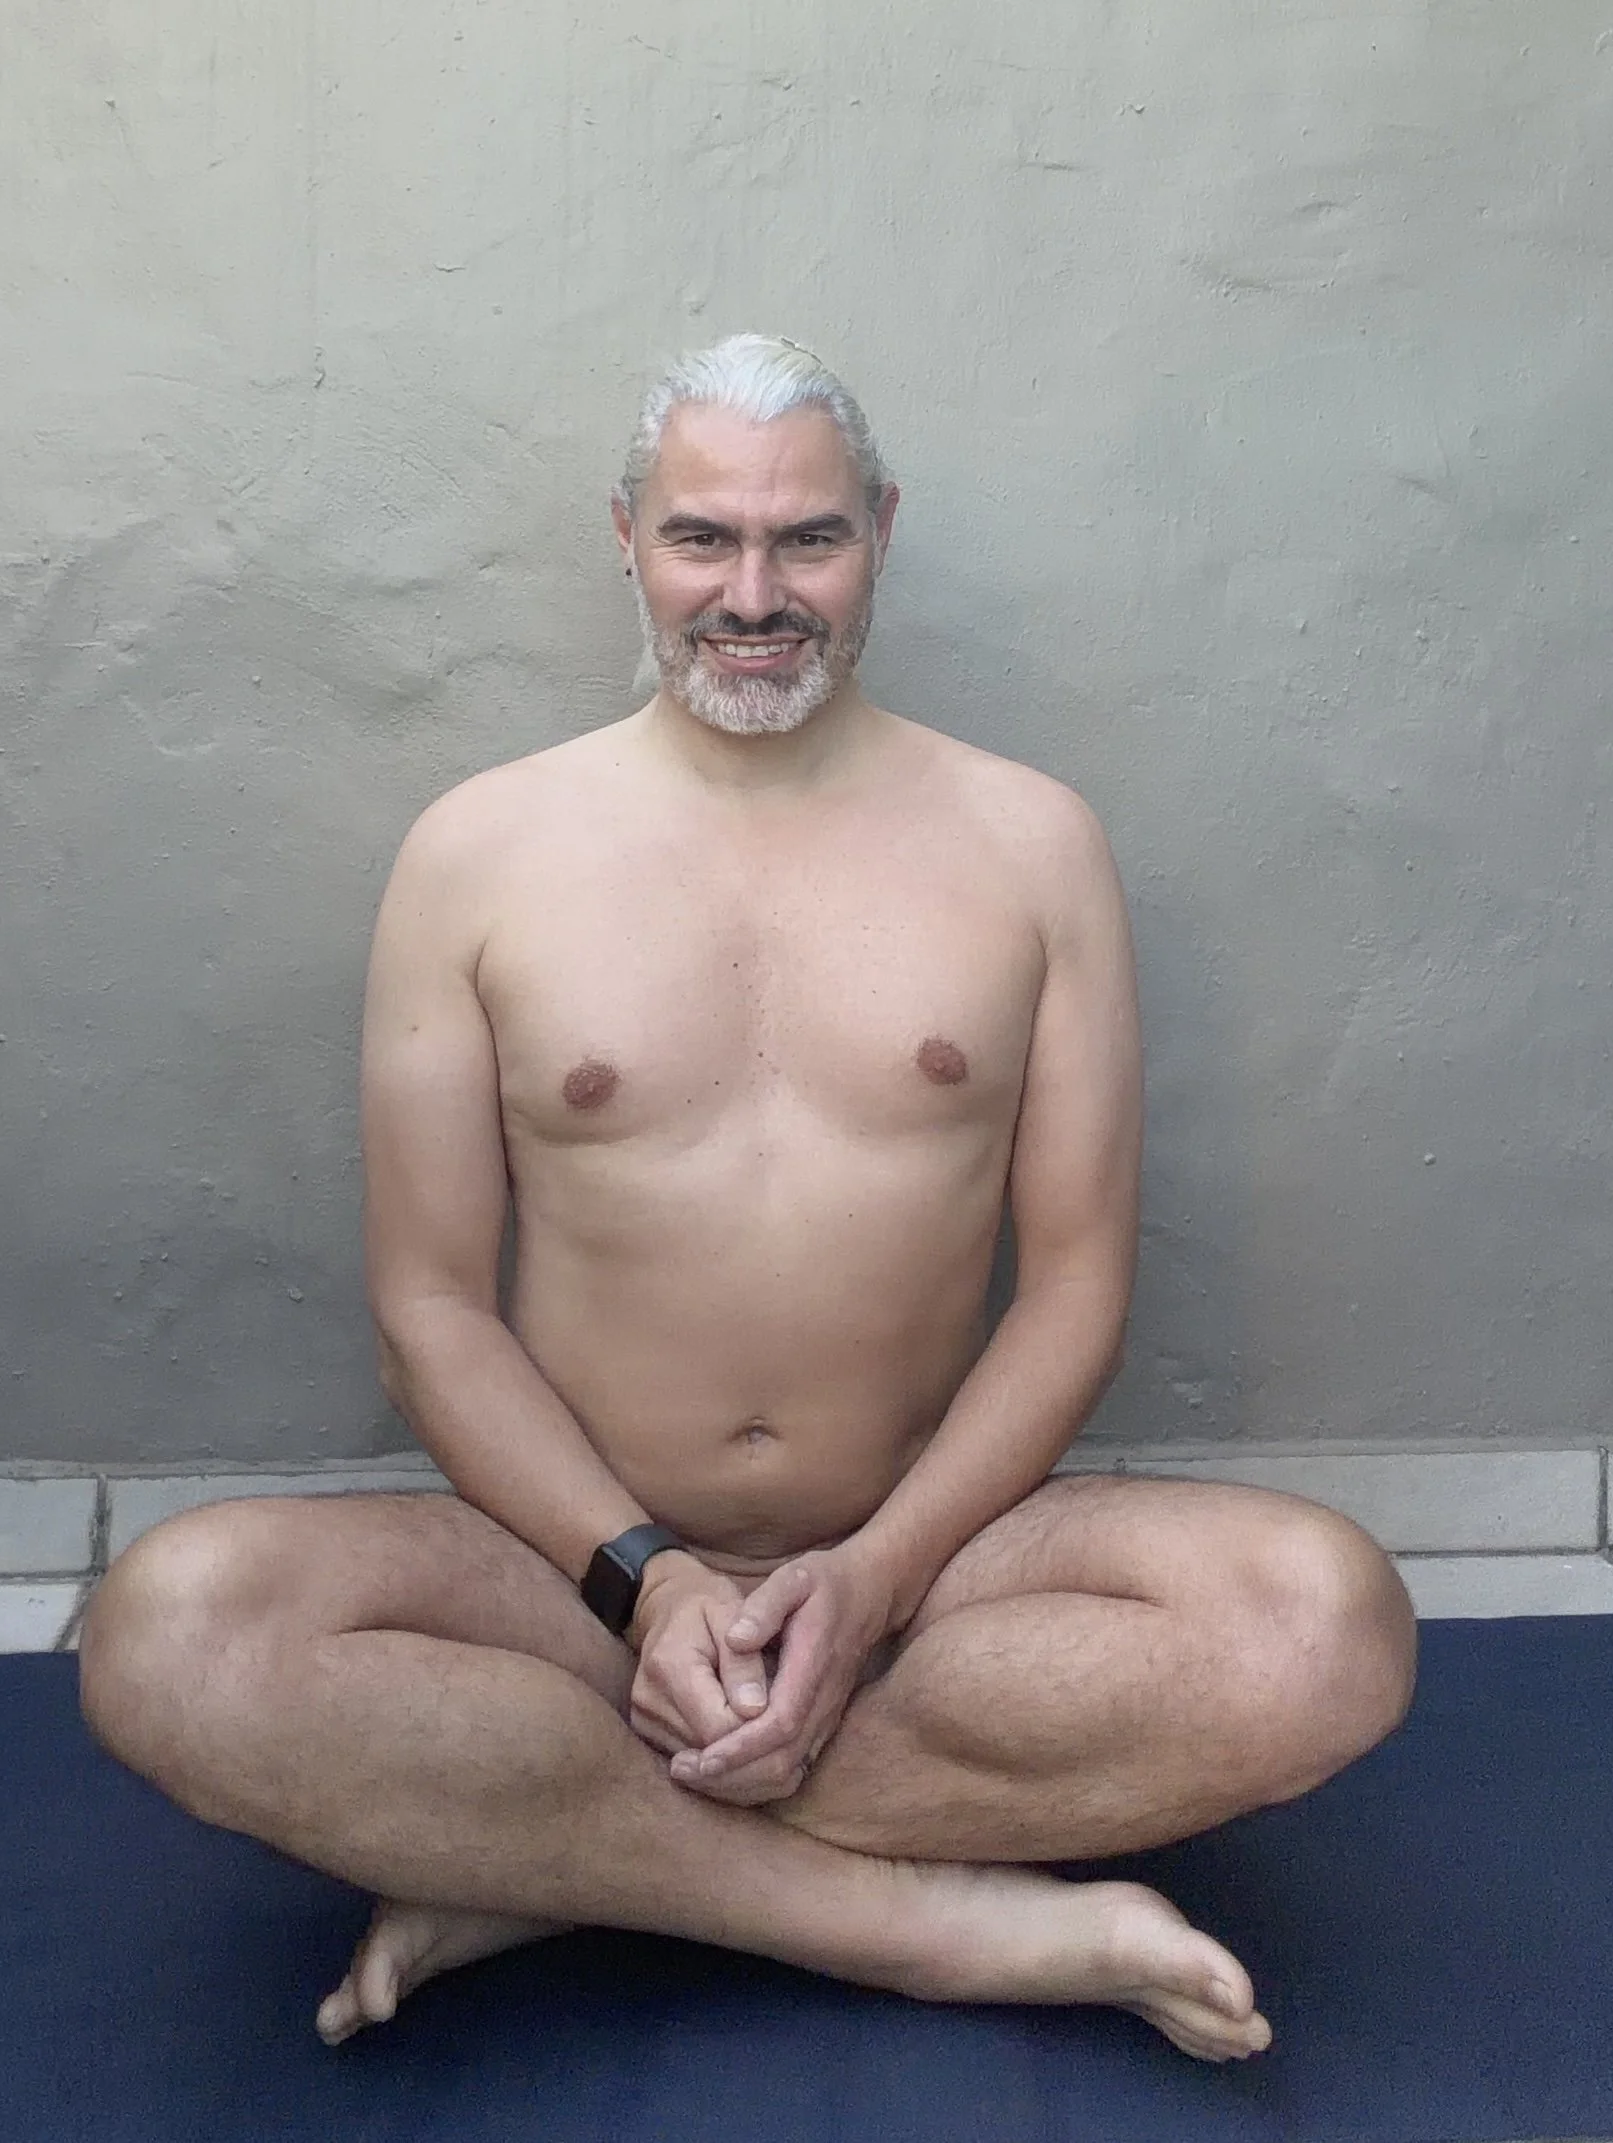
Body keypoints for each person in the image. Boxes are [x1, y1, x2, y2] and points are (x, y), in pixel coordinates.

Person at [79, 333, 1416, 2065]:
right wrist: (646, 1589)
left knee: (1328, 1623)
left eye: (810, 539)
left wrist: (867, 1583)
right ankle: (936, 1927)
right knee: (168, 1631)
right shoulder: (476, 854)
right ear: (624, 536)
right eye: (704, 537)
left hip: (932, 1582)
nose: (755, 593)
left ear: (884, 533)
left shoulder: (1032, 846)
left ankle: (566, 1864)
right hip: (567, 1583)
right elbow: (430, 1310)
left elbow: (1078, 1287)